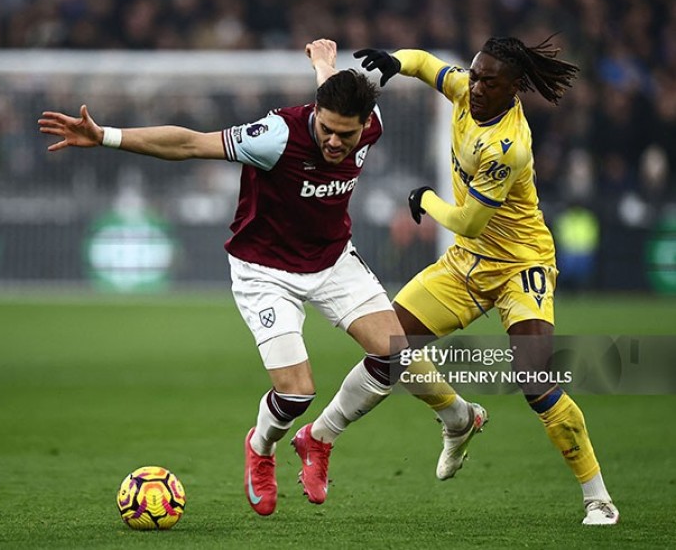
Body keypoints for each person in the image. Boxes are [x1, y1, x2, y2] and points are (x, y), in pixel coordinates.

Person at [38, 39, 481, 516]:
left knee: (395, 354)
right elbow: (190, 143)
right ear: (316, 115)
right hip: (264, 271)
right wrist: (105, 135)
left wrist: (324, 63)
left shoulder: (369, 122)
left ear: (364, 127)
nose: (335, 142)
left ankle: (319, 440)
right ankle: (262, 448)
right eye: (327, 131)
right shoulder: (274, 135)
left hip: (332, 260)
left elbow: (334, 90)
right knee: (297, 391)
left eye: (346, 136)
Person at [355, 35, 619, 526]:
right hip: (467, 265)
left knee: (535, 382)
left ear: (515, 88)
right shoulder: (464, 90)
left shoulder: (507, 148)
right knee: (388, 341)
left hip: (520, 264)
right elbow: (425, 63)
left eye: (488, 82)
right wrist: (394, 61)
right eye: (474, 75)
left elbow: (469, 221)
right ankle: (458, 419)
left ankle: (598, 497)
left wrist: (426, 199)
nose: (475, 87)